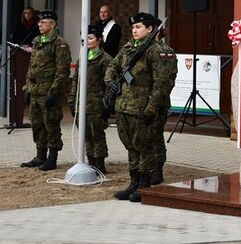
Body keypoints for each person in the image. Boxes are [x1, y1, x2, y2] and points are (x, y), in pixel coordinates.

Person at [104, 12, 175, 202]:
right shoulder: (128, 47)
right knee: (131, 146)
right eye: (133, 27)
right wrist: (111, 82)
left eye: (138, 27)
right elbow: (112, 66)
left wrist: (151, 108)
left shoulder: (158, 51)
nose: (134, 30)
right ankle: (133, 182)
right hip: (124, 106)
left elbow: (163, 84)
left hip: (143, 107)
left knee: (145, 146)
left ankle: (144, 185)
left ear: (150, 29)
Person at [20, 10, 72, 171]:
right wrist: (27, 87)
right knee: (37, 124)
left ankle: (52, 158)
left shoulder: (59, 43)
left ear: (53, 24)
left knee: (51, 125)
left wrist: (54, 91)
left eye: (43, 22)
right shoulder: (37, 41)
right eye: (39, 22)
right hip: (35, 90)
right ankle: (40, 156)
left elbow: (62, 70)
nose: (39, 24)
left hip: (48, 91)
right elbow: (32, 67)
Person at [68, 25, 113, 174]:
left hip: (96, 104)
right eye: (84, 38)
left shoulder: (105, 59)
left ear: (98, 40)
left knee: (97, 134)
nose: (86, 41)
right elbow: (76, 81)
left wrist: (107, 105)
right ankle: (90, 161)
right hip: (82, 103)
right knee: (85, 134)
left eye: (90, 38)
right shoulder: (83, 57)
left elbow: (109, 84)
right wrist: (72, 100)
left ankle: (99, 164)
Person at [146, 25, 177, 188]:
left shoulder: (164, 51)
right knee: (144, 136)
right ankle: (147, 167)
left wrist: (154, 102)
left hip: (158, 102)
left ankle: (157, 168)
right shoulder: (140, 49)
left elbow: (165, 81)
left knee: (155, 135)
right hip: (140, 101)